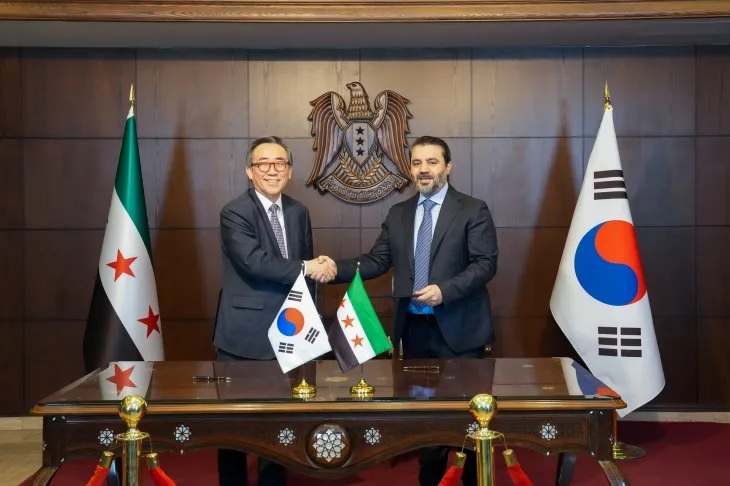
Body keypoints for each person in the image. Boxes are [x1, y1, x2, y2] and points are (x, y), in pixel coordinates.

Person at [319, 135, 498, 486]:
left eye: (432, 162)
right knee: (425, 419)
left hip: (460, 331)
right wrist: (335, 268)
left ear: (448, 166)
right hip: (413, 333)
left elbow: (485, 264)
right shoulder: (399, 213)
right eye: (417, 163)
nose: (423, 169)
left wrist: (444, 291)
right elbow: (377, 260)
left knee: (467, 420)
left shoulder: (472, 209)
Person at [214, 136, 335, 486]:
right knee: (233, 429)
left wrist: (313, 323)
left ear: (290, 171)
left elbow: (306, 274)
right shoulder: (235, 212)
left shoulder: (298, 212)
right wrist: (309, 266)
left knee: (280, 427)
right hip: (244, 337)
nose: (272, 170)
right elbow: (254, 262)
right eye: (263, 163)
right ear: (249, 171)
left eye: (279, 163)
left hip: (291, 334)